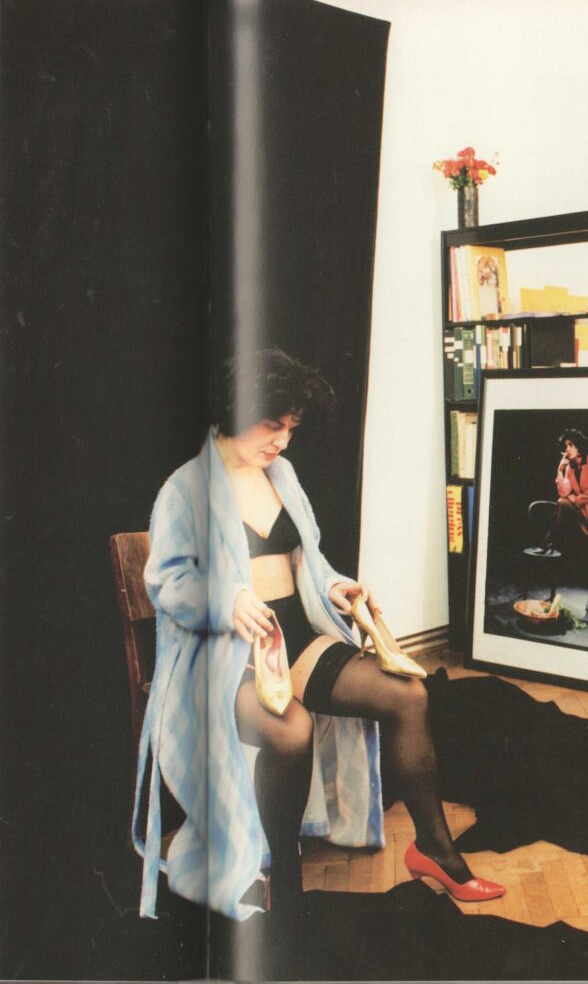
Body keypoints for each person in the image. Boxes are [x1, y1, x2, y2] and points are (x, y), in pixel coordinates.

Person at [134, 348, 504, 929]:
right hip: (225, 658)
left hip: (294, 640)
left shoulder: (280, 473)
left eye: (291, 428)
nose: (283, 441)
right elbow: (164, 581)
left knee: (407, 695)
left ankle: (434, 849)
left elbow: (308, 558)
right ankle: (283, 878)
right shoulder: (185, 488)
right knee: (292, 729)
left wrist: (335, 586)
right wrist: (225, 599)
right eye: (272, 424)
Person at [541, 428, 588, 615]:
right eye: (565, 446)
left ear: (579, 446)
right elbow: (564, 493)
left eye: (571, 445)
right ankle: (549, 541)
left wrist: (576, 500)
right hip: (583, 514)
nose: (567, 449)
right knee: (562, 503)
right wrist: (559, 471)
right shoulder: (569, 468)